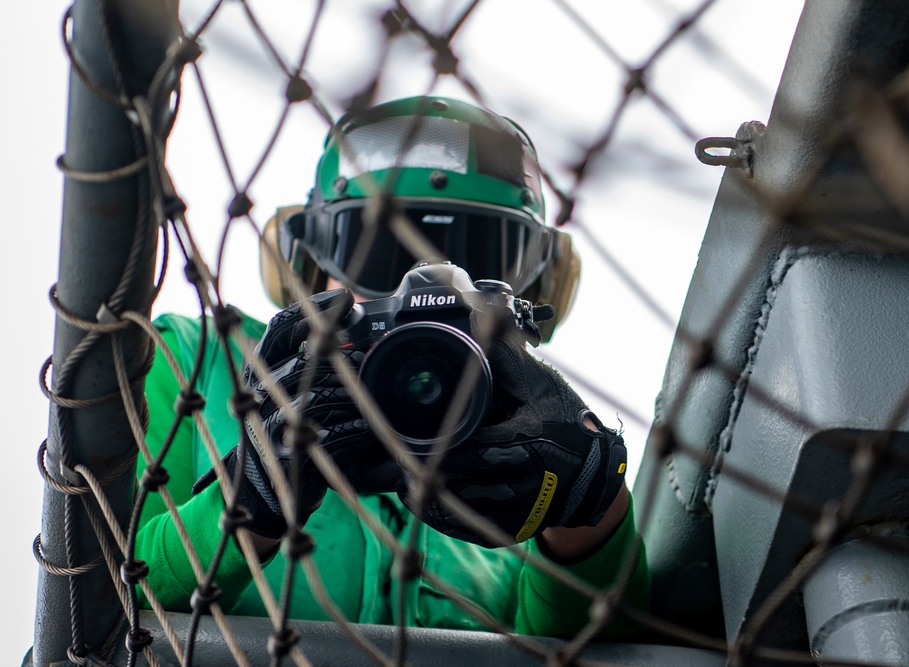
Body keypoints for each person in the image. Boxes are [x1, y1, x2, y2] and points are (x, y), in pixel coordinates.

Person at [134, 96, 649, 638]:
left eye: (476, 264)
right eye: (381, 252)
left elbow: (587, 650)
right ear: (310, 262)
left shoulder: (537, 441)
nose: (420, 293)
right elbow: (105, 587)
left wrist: (588, 511)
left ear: (535, 288)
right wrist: (245, 503)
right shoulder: (194, 358)